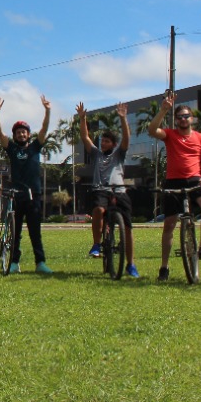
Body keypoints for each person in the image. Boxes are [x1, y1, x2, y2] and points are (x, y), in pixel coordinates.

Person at [147, 91, 201, 281]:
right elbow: (152, 130)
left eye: (186, 116)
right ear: (176, 120)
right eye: (179, 117)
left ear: (191, 118)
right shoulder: (170, 135)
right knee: (169, 224)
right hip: (173, 181)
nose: (183, 119)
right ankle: (164, 266)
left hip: (195, 180)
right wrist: (163, 111)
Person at [0, 95, 54, 275]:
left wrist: (48, 111)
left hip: (33, 195)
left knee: (35, 232)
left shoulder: (35, 147)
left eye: (24, 131)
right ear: (14, 135)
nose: (21, 134)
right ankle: (14, 262)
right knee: (16, 233)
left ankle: (40, 263)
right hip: (16, 195)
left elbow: (44, 129)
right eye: (18, 132)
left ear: (28, 134)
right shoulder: (11, 148)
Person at [79, 102, 137, 278]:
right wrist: (83, 119)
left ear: (113, 143)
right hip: (100, 190)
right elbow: (85, 138)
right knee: (98, 210)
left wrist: (123, 118)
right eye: (102, 141)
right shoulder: (96, 154)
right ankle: (97, 244)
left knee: (127, 228)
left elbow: (126, 139)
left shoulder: (119, 154)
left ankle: (131, 264)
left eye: (107, 141)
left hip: (119, 191)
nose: (103, 143)